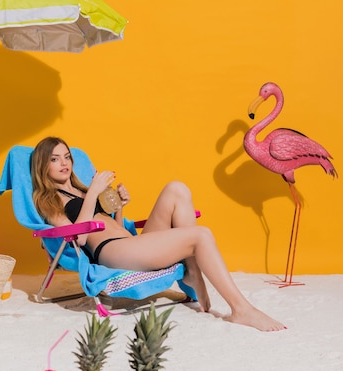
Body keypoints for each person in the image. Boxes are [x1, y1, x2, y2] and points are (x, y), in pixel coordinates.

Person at [31, 136, 286, 332]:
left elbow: (113, 223)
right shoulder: (48, 200)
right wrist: (95, 192)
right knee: (201, 235)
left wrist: (119, 207)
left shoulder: (82, 189)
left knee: (177, 189)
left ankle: (192, 271)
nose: (64, 163)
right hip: (111, 252)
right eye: (54, 159)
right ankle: (240, 308)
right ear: (43, 166)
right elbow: (81, 238)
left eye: (66, 157)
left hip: (128, 243)